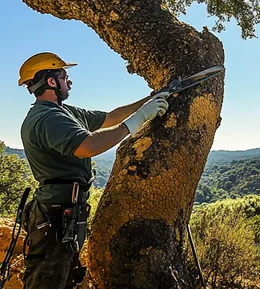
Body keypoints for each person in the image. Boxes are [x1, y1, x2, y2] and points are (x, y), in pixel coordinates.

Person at [17, 52, 168, 289]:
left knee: (64, 277)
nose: (70, 82)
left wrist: (150, 100)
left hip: (66, 209)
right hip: (55, 214)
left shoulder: (65, 112)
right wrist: (138, 120)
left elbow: (111, 117)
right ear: (51, 81)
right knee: (47, 280)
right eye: (65, 76)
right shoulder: (47, 118)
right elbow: (89, 145)